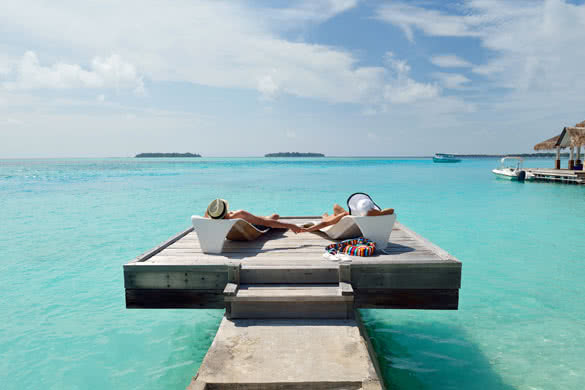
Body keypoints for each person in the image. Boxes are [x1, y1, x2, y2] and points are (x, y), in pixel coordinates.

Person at [304, 193, 394, 233]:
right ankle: (327, 215)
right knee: (337, 208)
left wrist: (308, 229)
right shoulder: (377, 214)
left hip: (346, 225)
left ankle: (325, 216)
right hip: (357, 226)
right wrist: (379, 212)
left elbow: (326, 223)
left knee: (335, 208)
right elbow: (391, 210)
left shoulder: (349, 217)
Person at [204, 198, 303, 233]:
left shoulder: (213, 219)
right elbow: (265, 223)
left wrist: (212, 211)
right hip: (253, 229)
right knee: (274, 216)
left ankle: (261, 217)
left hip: (236, 230)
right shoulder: (239, 214)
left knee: (260, 217)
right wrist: (290, 225)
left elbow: (207, 214)